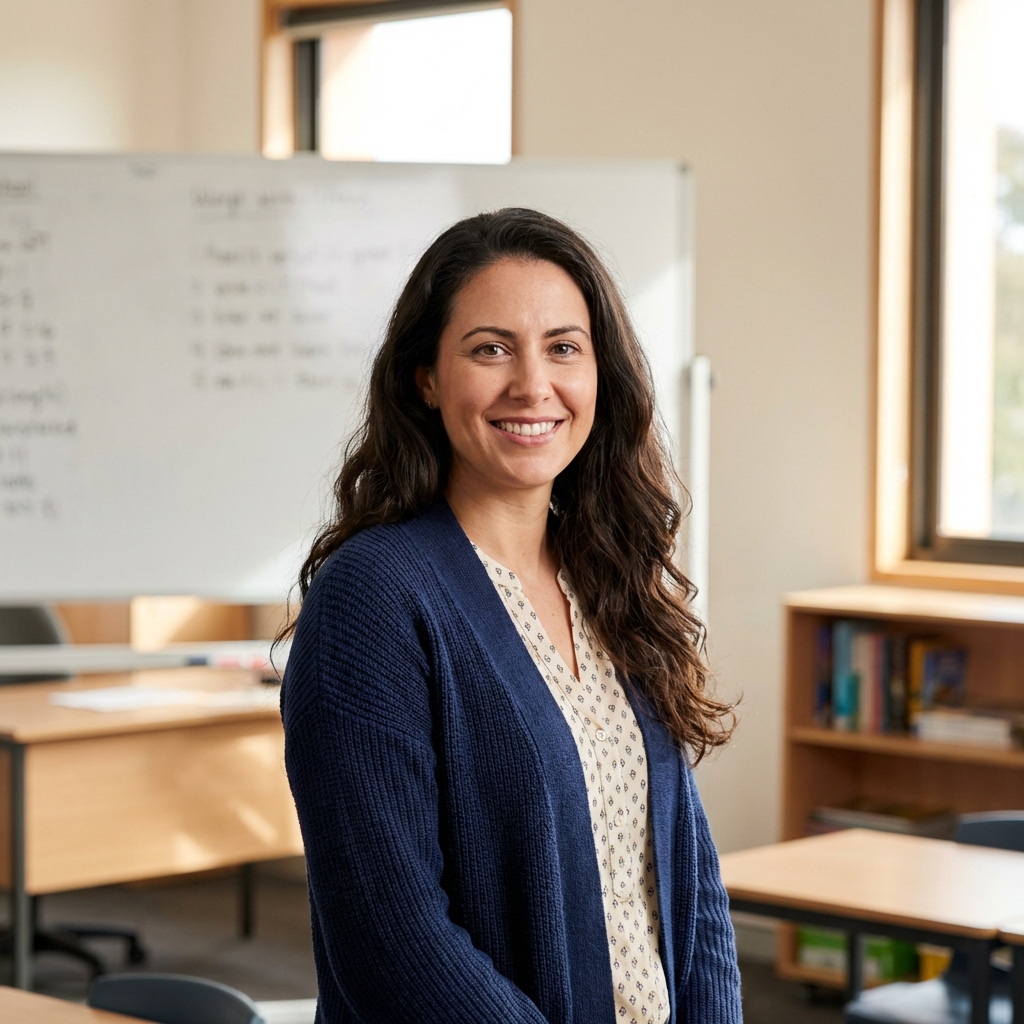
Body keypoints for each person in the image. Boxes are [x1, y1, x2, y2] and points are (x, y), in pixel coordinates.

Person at [281, 207, 741, 1024]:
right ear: (426, 377)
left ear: (602, 375)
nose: (533, 385)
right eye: (490, 349)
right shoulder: (375, 599)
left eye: (564, 347)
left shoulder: (611, 578)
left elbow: (687, 881)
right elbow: (393, 942)